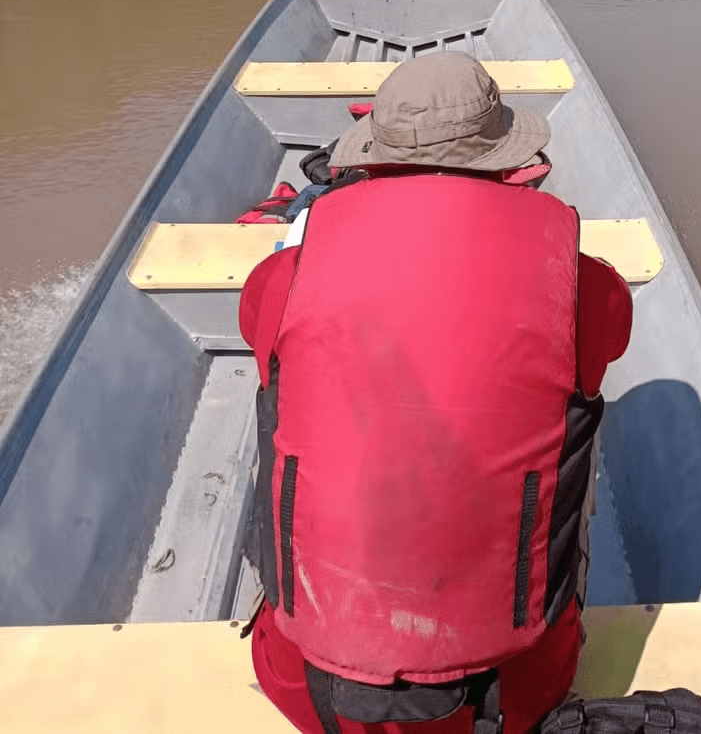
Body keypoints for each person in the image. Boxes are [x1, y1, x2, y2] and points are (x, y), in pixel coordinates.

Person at [239, 51, 633, 734]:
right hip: (514, 695)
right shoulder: (584, 285)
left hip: (305, 689)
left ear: (372, 155)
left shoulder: (283, 279)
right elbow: (612, 329)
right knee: (574, 423)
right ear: (507, 160)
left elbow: (257, 331)